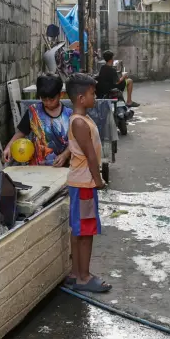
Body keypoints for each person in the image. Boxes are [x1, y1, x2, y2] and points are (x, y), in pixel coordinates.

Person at [65, 73, 110, 293]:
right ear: (81, 98)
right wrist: (99, 181)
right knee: (85, 232)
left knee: (79, 230)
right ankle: (84, 277)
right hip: (85, 184)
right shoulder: (81, 123)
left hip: (79, 182)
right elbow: (91, 156)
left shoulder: (81, 119)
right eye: (92, 93)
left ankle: (76, 272)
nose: (95, 97)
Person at [2, 73, 72, 166]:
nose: (48, 103)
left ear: (61, 95)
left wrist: (65, 155)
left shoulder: (69, 115)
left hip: (62, 167)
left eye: (52, 99)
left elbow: (75, 142)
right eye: (44, 99)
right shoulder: (33, 111)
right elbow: (21, 133)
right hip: (37, 167)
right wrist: (8, 148)